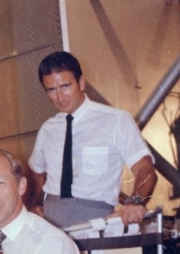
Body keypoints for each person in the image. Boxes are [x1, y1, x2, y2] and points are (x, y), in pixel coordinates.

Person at [28, 51, 157, 228]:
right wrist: (34, 204)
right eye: (51, 90)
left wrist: (135, 202)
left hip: (96, 221)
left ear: (81, 82)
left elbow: (145, 170)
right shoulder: (47, 129)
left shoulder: (116, 120)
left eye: (65, 86)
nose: (60, 98)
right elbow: (36, 171)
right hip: (51, 221)